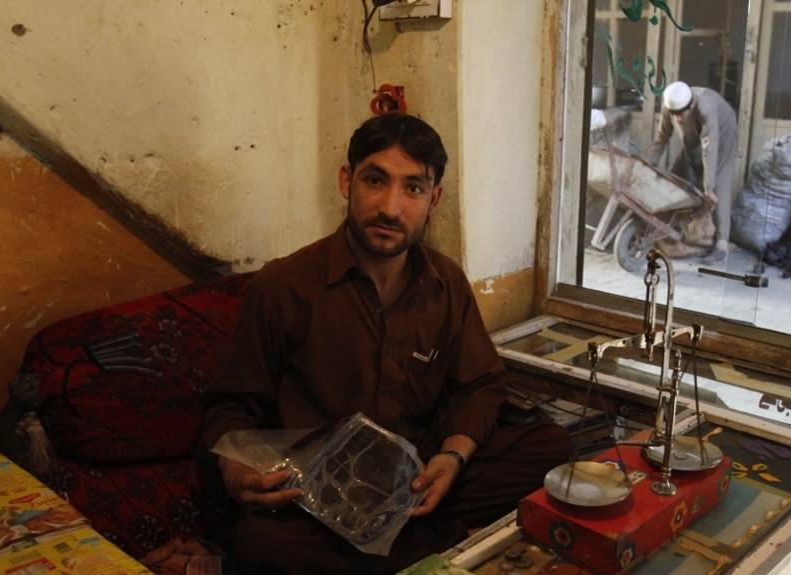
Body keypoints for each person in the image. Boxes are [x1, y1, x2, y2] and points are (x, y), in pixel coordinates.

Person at [201, 113, 572, 574]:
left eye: (413, 188)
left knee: (552, 447)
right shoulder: (284, 286)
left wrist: (452, 458)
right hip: (326, 497)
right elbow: (232, 407)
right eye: (375, 180)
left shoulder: (447, 281)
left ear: (433, 198)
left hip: (418, 482)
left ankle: (401, 541)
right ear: (347, 181)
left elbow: (478, 387)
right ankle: (428, 544)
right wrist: (238, 475)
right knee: (265, 545)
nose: (391, 208)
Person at [646, 81, 739, 264]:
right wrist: (649, 164)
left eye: (682, 114)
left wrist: (709, 187)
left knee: (718, 188)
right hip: (694, 138)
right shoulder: (671, 106)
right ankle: (675, 232)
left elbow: (709, 148)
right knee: (676, 177)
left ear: (692, 104)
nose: (678, 119)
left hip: (722, 136)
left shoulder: (706, 107)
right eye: (675, 115)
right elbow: (661, 137)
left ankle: (721, 243)